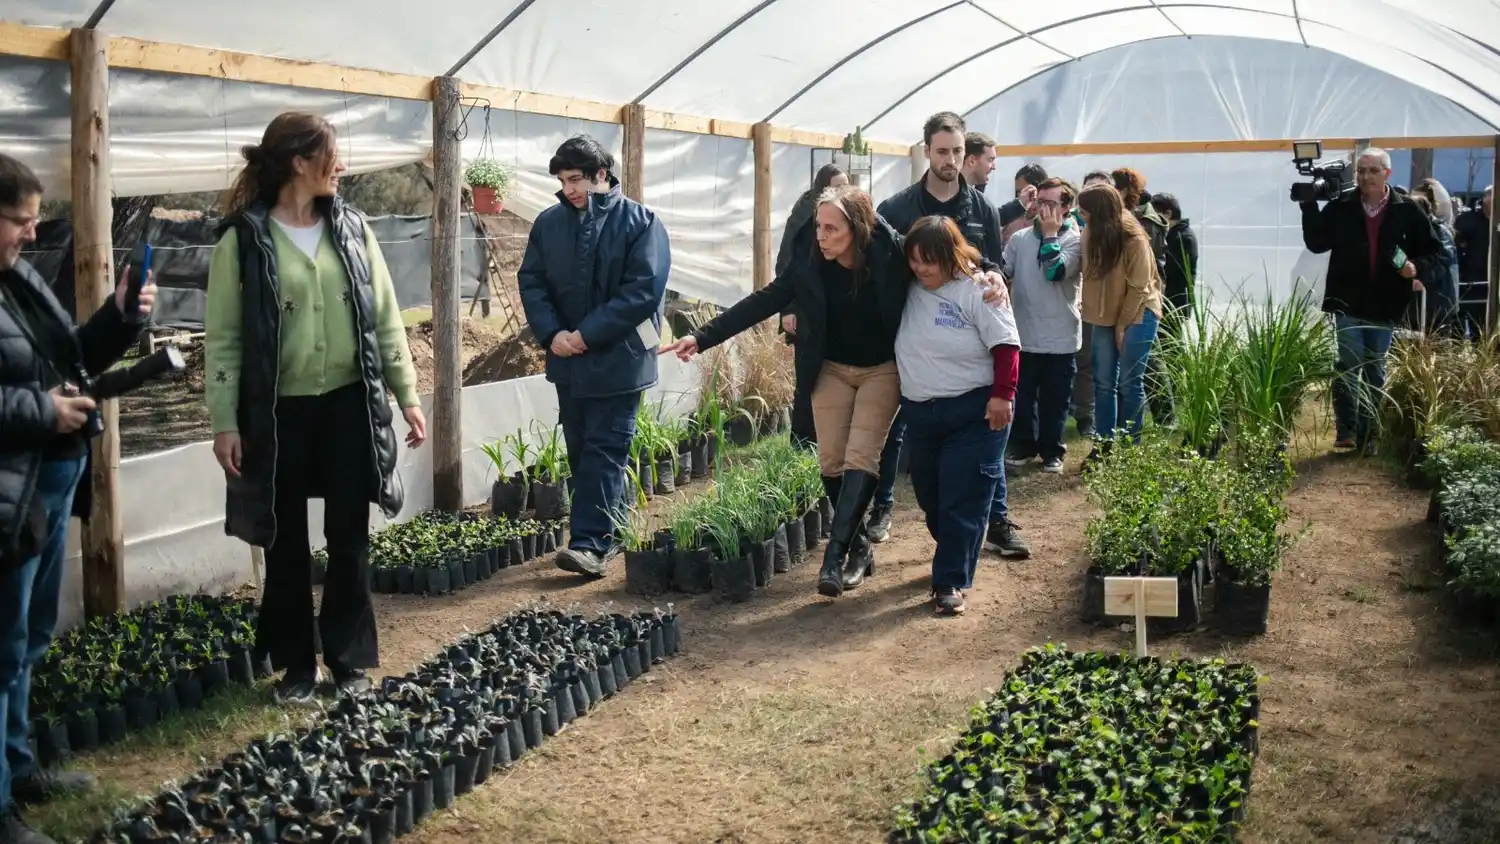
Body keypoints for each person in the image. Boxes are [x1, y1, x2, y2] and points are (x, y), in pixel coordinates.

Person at [664, 186, 1005, 598]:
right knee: (830, 462)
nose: (822, 236)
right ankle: (859, 548)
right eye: (819, 226)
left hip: (882, 368)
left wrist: (993, 272)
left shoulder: (891, 251)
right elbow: (765, 300)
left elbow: (948, 253)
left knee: (861, 457)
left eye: (832, 228)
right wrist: (701, 338)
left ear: (857, 229)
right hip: (829, 368)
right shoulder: (808, 259)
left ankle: (834, 556)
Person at [205, 112, 426, 704]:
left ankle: (349, 661)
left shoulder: (352, 229)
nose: (343, 165)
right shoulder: (242, 241)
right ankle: (297, 667)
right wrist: (225, 420)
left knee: (349, 536)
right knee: (285, 543)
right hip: (278, 415)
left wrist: (406, 394)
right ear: (300, 162)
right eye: (332, 154)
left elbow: (384, 317)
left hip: (351, 407)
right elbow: (223, 337)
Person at [0, 154, 155, 843]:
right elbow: (33, 393)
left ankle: (18, 765)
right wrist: (40, 410)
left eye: (34, 221)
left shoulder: (17, 281)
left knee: (29, 639)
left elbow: (73, 358)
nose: (32, 234)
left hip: (45, 485)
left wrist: (121, 316)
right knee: (1, 648)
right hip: (12, 490)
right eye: (19, 222)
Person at [871, 111, 1026, 561]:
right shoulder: (897, 209)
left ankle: (995, 521)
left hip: (968, 341)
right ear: (927, 152)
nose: (951, 160)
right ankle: (882, 507)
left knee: (981, 442)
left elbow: (992, 264)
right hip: (910, 340)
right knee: (895, 432)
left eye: (958, 151)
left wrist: (995, 279)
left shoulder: (981, 209)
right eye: (943, 151)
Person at [518, 135, 671, 578]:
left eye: (576, 179)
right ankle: (615, 529)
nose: (569, 189)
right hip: (569, 361)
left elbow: (642, 291)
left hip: (620, 360)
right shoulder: (549, 225)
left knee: (605, 449)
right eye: (564, 181)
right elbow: (532, 282)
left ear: (602, 175)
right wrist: (553, 335)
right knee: (582, 449)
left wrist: (586, 334)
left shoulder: (641, 223)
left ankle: (589, 544)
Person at [896, 217, 1020, 616]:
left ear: (950, 256)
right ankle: (955, 548)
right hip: (921, 412)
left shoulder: (979, 290)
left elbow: (1006, 346)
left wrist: (1003, 395)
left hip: (973, 411)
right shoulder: (906, 286)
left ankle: (950, 580)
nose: (921, 268)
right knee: (931, 497)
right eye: (914, 260)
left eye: (929, 260)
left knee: (962, 497)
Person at [1300, 148, 1436, 455]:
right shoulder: (1343, 206)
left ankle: (1368, 434)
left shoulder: (1407, 211)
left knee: (1375, 368)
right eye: (1361, 171)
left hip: (1386, 303)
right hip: (1347, 301)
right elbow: (1317, 242)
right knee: (1350, 362)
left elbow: (1434, 250)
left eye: (1373, 171)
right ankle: (1347, 429)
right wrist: (1308, 206)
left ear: (1387, 174)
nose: (1365, 177)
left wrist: (1416, 268)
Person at [1078, 183, 1164, 463]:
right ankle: (1103, 445)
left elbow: (1139, 288)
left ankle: (1129, 447)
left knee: (1129, 383)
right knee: (1103, 382)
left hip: (1138, 314)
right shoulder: (1091, 232)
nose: (1080, 214)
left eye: (1085, 210)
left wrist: (1121, 326)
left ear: (1099, 212)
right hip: (1104, 316)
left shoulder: (1134, 238)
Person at [1004, 178, 1082, 475]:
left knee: (1056, 399)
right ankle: (1023, 444)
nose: (1043, 209)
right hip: (1023, 334)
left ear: (1067, 207)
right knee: (1022, 396)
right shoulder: (1020, 238)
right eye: (1040, 202)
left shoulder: (1075, 241)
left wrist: (1050, 236)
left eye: (1051, 203)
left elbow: (1055, 271)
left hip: (1060, 335)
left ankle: (1052, 450)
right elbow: (1003, 269)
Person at [777, 163, 847, 448]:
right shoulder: (805, 215)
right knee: (807, 378)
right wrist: (788, 309)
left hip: (826, 311)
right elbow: (786, 263)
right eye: (837, 186)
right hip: (804, 310)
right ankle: (801, 441)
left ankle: (823, 439)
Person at [1146, 192, 1199, 426]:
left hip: (1174, 303)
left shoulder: (1181, 236)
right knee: (1169, 350)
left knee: (1170, 351)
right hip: (1170, 302)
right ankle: (1176, 393)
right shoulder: (1178, 234)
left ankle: (1176, 393)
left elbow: (1170, 270)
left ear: (1167, 213)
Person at [1069, 169, 1113, 440]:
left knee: (1098, 363)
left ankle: (1095, 416)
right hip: (1077, 301)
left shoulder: (1118, 228)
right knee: (1077, 360)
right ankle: (1078, 413)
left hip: (1104, 304)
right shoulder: (1073, 222)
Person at [1406, 192, 1459, 335]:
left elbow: (1443, 260)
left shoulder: (1440, 231)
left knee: (1436, 347)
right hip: (1413, 305)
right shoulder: (1408, 231)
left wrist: (1421, 277)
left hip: (1437, 303)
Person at [1454, 184, 1491, 340]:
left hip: (1493, 280)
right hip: (1471, 280)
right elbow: (1457, 243)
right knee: (1473, 321)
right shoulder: (1468, 220)